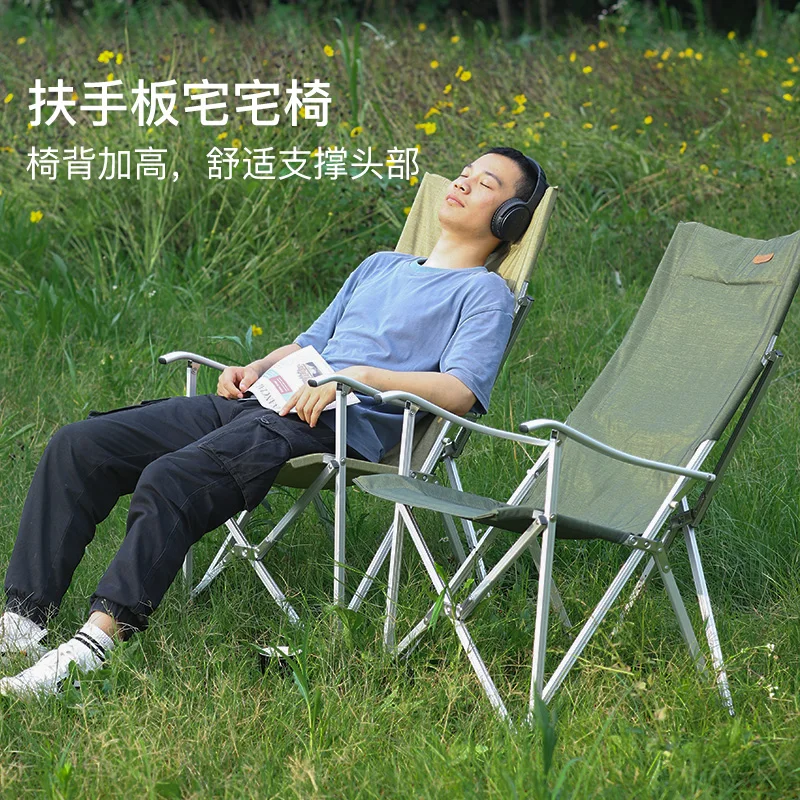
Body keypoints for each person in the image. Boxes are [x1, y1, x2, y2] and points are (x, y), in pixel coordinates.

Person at [0, 147, 546, 697]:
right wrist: (258, 366)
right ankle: (23, 623)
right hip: (265, 401)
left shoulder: (484, 293)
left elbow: (459, 390)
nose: (462, 183)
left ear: (510, 218)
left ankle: (95, 646)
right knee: (81, 444)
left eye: (486, 183)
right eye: (463, 174)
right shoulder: (381, 265)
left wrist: (356, 378)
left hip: (333, 425)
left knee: (174, 477)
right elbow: (310, 344)